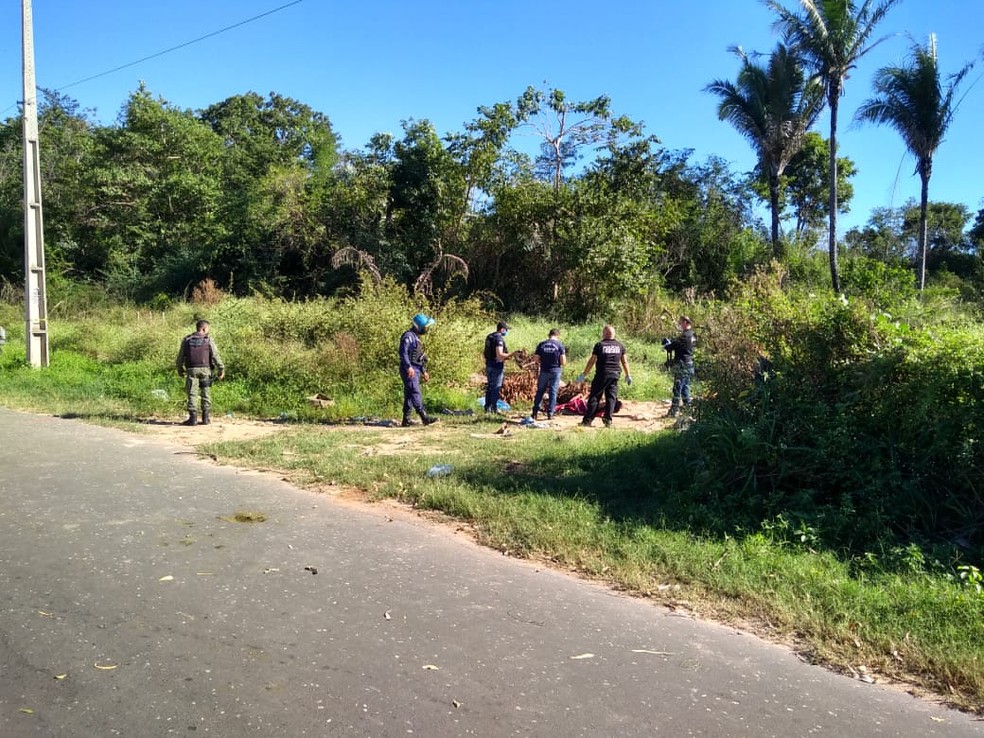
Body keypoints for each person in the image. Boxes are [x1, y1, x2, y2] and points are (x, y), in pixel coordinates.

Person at [577, 325, 631, 427]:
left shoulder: (600, 345)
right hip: (615, 375)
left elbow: (592, 361)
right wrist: (628, 375)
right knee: (611, 398)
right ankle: (608, 420)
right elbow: (624, 362)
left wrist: (584, 374)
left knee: (594, 397)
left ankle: (587, 421)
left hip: (602, 374)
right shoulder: (620, 346)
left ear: (604, 334)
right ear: (613, 334)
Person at [175, 319, 225, 426]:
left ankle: (193, 419)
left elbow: (180, 357)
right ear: (204, 328)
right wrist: (221, 368)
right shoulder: (208, 340)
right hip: (205, 370)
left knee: (192, 393)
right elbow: (215, 355)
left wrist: (180, 368)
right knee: (205, 392)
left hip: (191, 370)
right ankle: (205, 418)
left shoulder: (187, 339)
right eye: (208, 329)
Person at [399, 313, 439, 427]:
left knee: (409, 394)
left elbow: (419, 357)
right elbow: (403, 353)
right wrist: (408, 367)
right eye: (425, 327)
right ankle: (424, 417)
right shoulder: (408, 336)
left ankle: (406, 420)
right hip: (409, 369)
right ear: (419, 326)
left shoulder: (417, 338)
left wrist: (424, 371)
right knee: (415, 392)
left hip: (415, 369)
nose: (427, 329)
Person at [662, 315, 696, 417]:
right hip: (690, 363)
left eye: (680, 323)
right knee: (685, 388)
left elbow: (670, 347)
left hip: (682, 365)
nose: (679, 325)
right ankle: (688, 410)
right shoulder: (693, 335)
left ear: (686, 322)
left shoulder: (683, 336)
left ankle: (674, 411)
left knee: (677, 388)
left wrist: (667, 344)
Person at [531, 328, 566, 420]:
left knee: (540, 391)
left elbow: (536, 359)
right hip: (555, 371)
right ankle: (550, 413)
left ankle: (535, 412)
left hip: (544, 371)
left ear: (549, 335)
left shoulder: (541, 344)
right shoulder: (560, 345)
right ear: (557, 335)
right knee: (553, 392)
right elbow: (563, 361)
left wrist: (543, 362)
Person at [483, 321, 513, 414]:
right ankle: (494, 408)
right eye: (506, 330)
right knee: (496, 387)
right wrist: (512, 354)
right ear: (502, 329)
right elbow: (499, 354)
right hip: (496, 366)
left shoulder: (490, 336)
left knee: (490, 387)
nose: (507, 332)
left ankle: (487, 407)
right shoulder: (498, 338)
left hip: (489, 364)